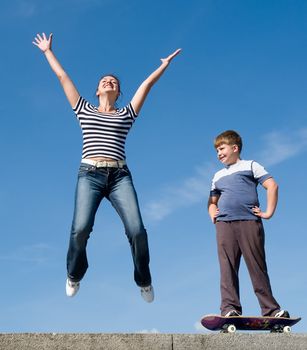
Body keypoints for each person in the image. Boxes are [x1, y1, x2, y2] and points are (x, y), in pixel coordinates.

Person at [33, 32, 181, 301]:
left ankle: (143, 280)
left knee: (136, 230)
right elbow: (63, 78)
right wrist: (47, 52)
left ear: (118, 92)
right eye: (104, 81)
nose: (109, 81)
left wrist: (163, 65)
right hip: (89, 174)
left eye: (113, 81)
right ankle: (74, 274)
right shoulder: (84, 109)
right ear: (98, 90)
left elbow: (146, 85)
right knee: (80, 229)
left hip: (119, 176)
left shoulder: (126, 114)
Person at [207, 130, 289, 317]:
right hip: (224, 225)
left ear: (235, 148)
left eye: (222, 149)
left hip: (249, 222)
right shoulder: (217, 175)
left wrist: (268, 212)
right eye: (216, 151)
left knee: (256, 265)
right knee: (227, 268)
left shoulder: (251, 165)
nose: (218, 153)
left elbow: (272, 185)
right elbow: (212, 201)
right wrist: (212, 212)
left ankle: (271, 310)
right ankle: (230, 309)